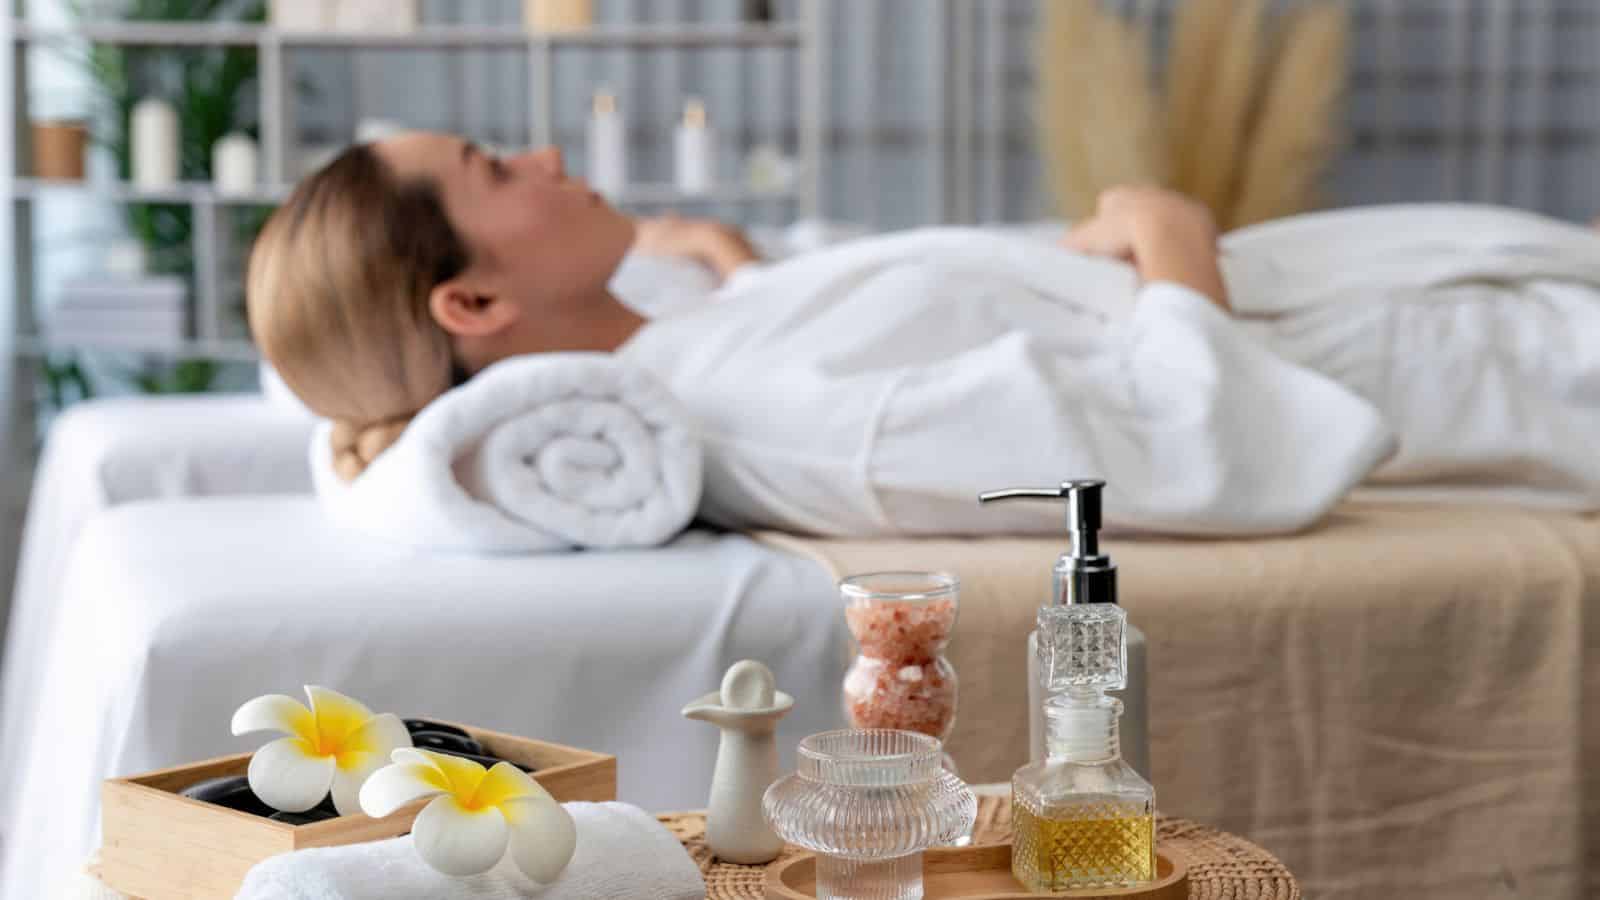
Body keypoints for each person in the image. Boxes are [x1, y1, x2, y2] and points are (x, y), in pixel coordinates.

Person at [247, 132, 1600, 536]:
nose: (544, 152)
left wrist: (717, 254)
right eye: (497, 167)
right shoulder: (753, 409)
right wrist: (1170, 235)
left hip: (1398, 303)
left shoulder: (691, 347)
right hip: (1455, 370)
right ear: (474, 305)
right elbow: (1187, 453)